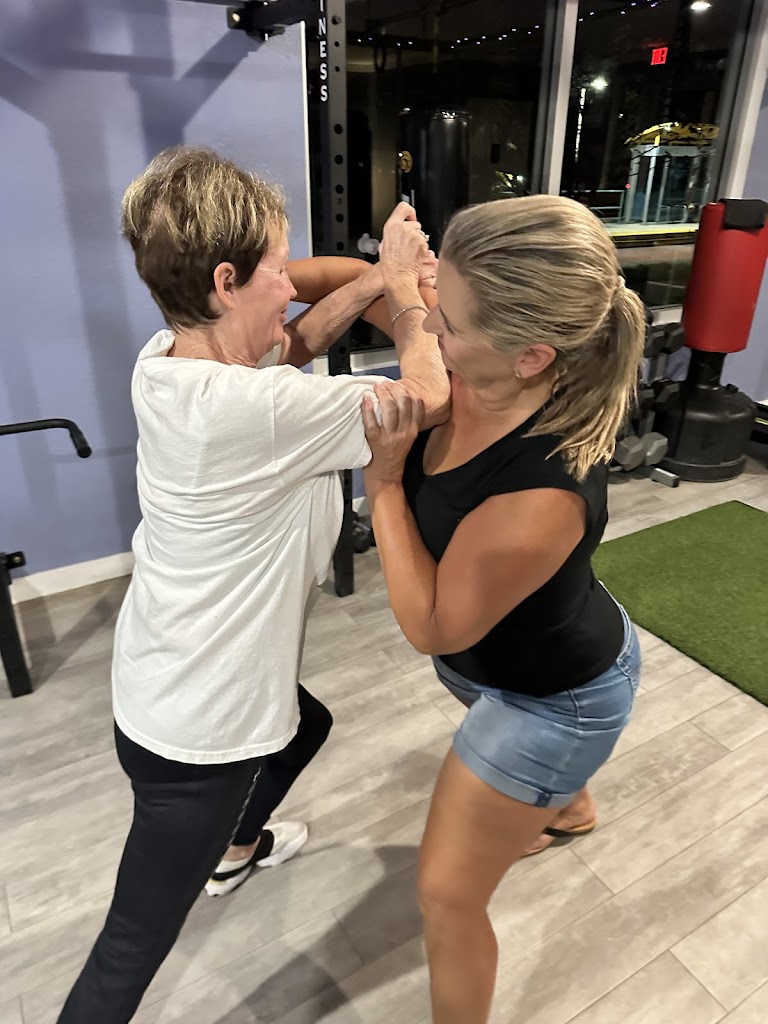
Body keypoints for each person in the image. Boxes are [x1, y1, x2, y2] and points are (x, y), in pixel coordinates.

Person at [57, 145, 448, 1024]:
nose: (290, 283)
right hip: (196, 736)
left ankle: (236, 850)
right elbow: (426, 394)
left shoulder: (167, 360)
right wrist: (403, 290)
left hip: (163, 673)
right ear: (227, 282)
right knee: (127, 952)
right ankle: (221, 846)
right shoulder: (254, 412)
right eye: (278, 267)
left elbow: (293, 345)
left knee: (306, 727)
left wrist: (368, 281)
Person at [360, 194, 645, 1024]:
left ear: (531, 357)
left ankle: (562, 788)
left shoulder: (540, 495)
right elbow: (390, 302)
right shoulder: (482, 362)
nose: (427, 324)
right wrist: (394, 277)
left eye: (447, 321)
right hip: (510, 655)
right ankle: (570, 806)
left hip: (554, 701)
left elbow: (432, 627)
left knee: (445, 895)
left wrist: (384, 482)